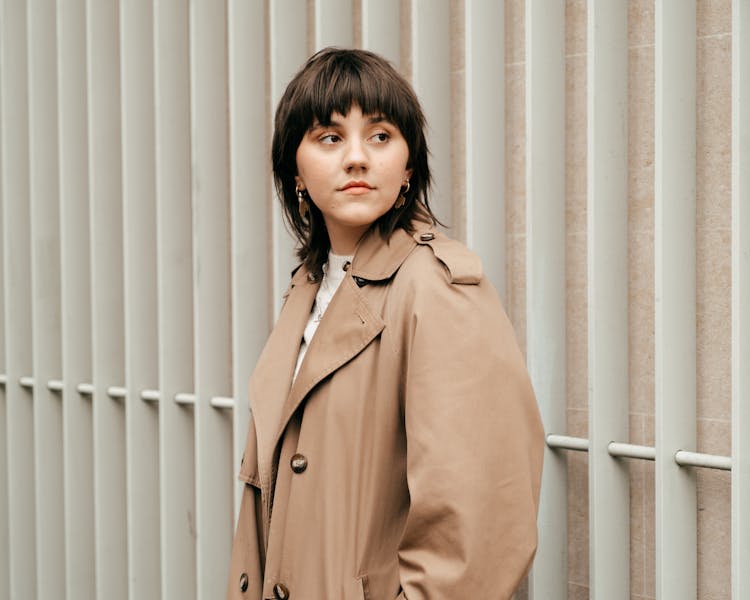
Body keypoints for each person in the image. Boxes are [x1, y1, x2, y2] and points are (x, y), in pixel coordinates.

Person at [227, 47, 544, 600]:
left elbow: (480, 521)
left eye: (380, 136)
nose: (357, 158)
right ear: (295, 171)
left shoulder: (437, 287)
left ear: (409, 168)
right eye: (330, 137)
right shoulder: (309, 287)